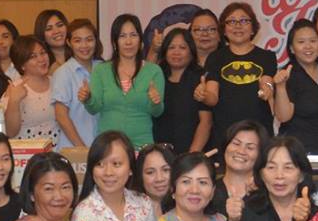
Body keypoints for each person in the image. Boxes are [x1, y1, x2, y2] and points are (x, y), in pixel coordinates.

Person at [194, 2, 277, 139]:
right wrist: (204, 95)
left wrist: (267, 89)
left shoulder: (266, 56)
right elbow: (213, 96)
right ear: (224, 30)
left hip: (259, 132)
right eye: (232, 21)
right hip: (226, 133)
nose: (238, 26)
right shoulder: (215, 58)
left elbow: (267, 82)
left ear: (253, 28)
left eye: (244, 21)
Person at [85, 16, 166, 150]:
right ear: (115, 42)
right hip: (108, 147)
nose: (128, 41)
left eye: (133, 35)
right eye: (122, 36)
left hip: (142, 146)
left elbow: (157, 112)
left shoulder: (154, 71)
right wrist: (87, 98)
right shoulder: (101, 70)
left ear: (140, 40)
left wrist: (156, 102)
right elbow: (94, 108)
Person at [273, 19, 318, 157]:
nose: (308, 46)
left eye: (313, 41)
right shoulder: (288, 74)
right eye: (301, 42)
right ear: (291, 48)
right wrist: (281, 87)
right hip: (295, 151)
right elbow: (283, 116)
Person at [148, 27, 209, 155]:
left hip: (189, 154)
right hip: (158, 153)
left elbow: (206, 122)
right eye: (171, 47)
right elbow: (145, 71)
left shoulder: (200, 78)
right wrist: (153, 50)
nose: (176, 52)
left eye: (182, 48)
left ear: (191, 51)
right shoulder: (158, 76)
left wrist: (192, 156)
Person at [49, 18, 101, 153]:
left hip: (101, 149)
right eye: (78, 41)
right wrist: (82, 149)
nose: (84, 45)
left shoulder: (104, 69)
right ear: (69, 43)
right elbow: (61, 116)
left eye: (89, 39)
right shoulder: (63, 73)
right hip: (74, 150)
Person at [0, 36, 61, 142]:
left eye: (43, 53)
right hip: (26, 150)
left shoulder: (57, 82)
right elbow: (10, 132)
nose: (41, 59)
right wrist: (14, 101)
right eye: (33, 56)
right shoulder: (15, 88)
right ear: (22, 65)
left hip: (57, 149)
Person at [214, 121, 267, 221]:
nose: (241, 151)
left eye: (250, 147)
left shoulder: (266, 195)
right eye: (236, 143)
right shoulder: (209, 190)